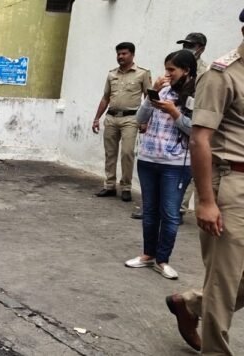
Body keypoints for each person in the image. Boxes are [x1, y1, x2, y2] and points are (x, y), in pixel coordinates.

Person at [165, 10, 244, 354]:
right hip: (231, 185)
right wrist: (207, 200)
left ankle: (191, 304)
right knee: (224, 284)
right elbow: (199, 139)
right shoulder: (220, 75)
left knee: (229, 284)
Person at [123, 50, 196, 280]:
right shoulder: (162, 90)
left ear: (186, 70)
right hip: (148, 159)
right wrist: (150, 96)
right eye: (166, 69)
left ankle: (162, 260)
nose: (167, 74)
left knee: (170, 214)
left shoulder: (197, 94)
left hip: (176, 164)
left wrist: (174, 112)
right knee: (150, 211)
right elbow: (140, 119)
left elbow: (195, 130)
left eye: (172, 70)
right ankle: (148, 255)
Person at [91, 42, 152, 202]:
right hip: (111, 117)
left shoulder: (142, 73)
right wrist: (97, 118)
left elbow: (148, 98)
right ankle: (109, 185)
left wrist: (145, 120)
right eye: (118, 54)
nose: (120, 56)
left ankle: (126, 187)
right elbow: (105, 98)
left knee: (127, 153)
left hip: (131, 118)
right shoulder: (112, 74)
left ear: (132, 54)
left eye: (124, 53)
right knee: (110, 152)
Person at [178, 32, 209, 216]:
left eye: (191, 46)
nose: (186, 49)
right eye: (185, 45)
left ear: (201, 49)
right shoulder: (178, 64)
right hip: (174, 115)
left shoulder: (205, 71)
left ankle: (179, 208)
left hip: (194, 118)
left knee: (190, 164)